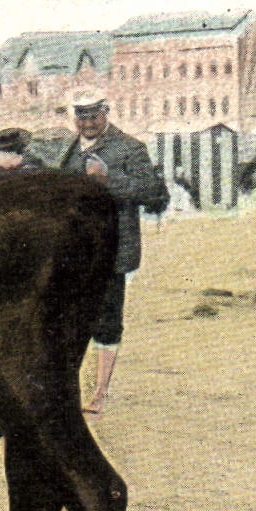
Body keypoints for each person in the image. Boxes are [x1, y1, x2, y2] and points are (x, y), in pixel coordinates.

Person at [59, 89, 168, 416]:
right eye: (81, 116)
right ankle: (70, 388)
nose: (88, 123)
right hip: (74, 251)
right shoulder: (69, 149)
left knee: (106, 320)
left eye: (94, 115)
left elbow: (151, 193)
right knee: (72, 318)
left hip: (111, 250)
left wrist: (108, 180)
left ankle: (101, 391)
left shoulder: (130, 147)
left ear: (106, 112)